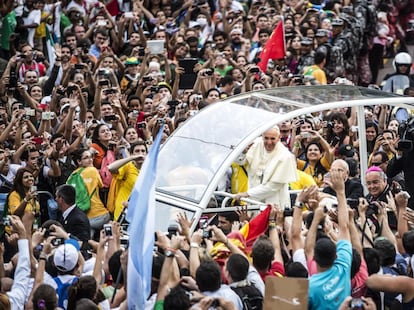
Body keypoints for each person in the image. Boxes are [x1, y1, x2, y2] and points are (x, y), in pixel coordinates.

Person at [308, 169, 352, 309]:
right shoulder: (343, 266)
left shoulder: (310, 287)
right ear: (336, 255)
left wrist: (316, 219)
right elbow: (344, 227)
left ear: (314, 258)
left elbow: (308, 249)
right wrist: (340, 192)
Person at [234, 126, 297, 207]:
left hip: (274, 201)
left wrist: (247, 193)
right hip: (253, 199)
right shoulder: (255, 144)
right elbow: (241, 162)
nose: (269, 142)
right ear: (262, 137)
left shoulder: (285, 155)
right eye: (266, 138)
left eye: (272, 139)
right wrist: (243, 152)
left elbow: (274, 186)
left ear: (279, 138)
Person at [70, 149, 110, 239]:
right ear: (79, 161)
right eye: (86, 158)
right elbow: (101, 185)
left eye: (91, 157)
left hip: (83, 216)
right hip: (100, 214)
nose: (90, 160)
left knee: (87, 243)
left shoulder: (72, 175)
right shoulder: (92, 170)